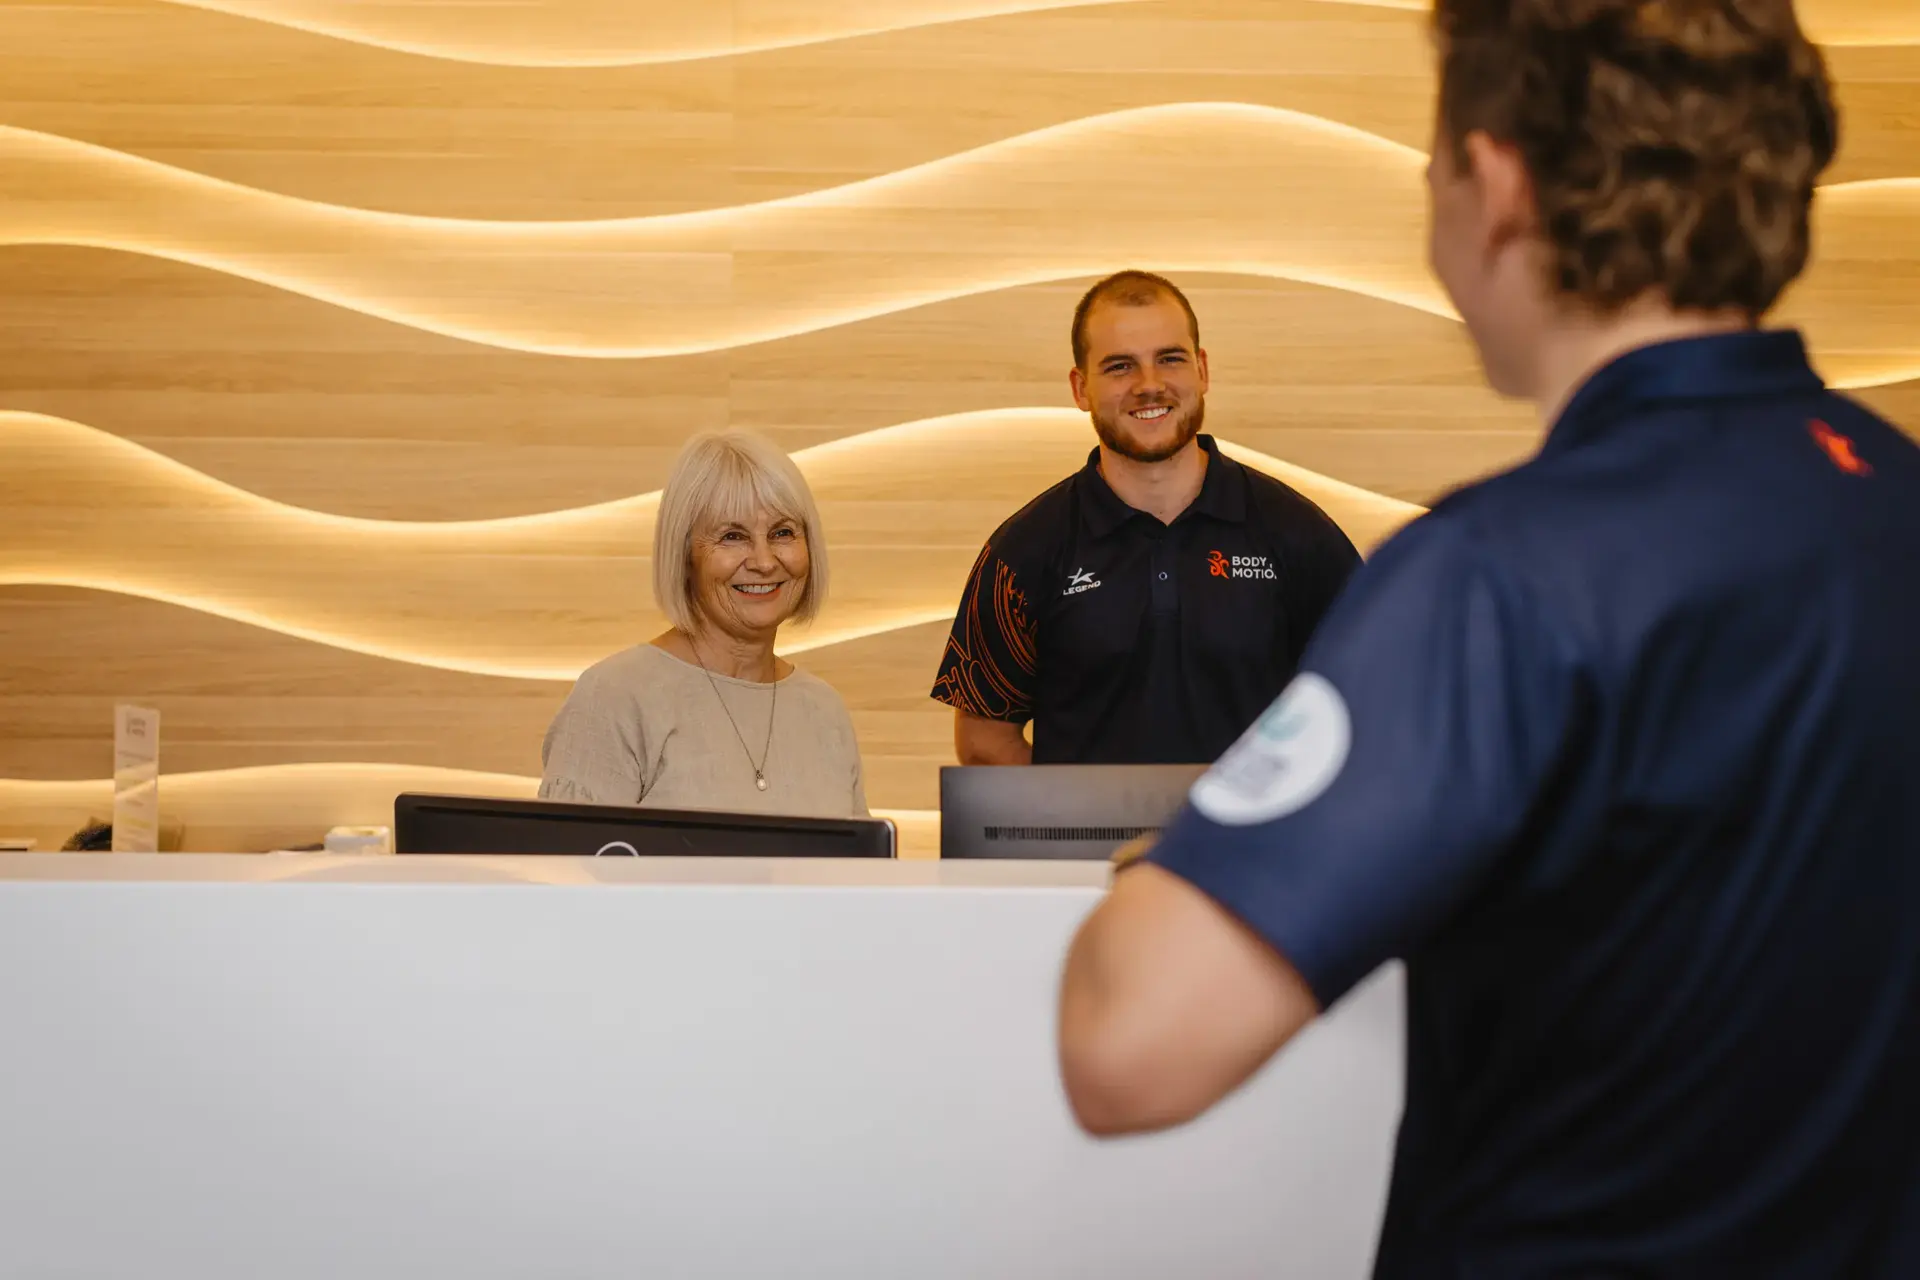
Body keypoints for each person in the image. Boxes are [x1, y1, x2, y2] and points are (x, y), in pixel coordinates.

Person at [1057, 2, 1920, 1277]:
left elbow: (1127, 1039)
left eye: (1433, 161)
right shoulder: (1894, 496)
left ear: (1498, 181)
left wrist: (1179, 863)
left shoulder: (1494, 577)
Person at [929, 270, 1360, 765]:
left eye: (1169, 359)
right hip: (1088, 847)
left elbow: (1370, 703)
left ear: (1202, 371)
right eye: (1119, 367)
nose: (1149, 385)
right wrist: (1071, 833)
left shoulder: (1300, 536)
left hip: (1257, 844)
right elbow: (984, 740)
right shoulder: (1023, 552)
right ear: (1080, 388)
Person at [539, 429, 868, 818]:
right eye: (732, 536)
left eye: (782, 533)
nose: (764, 561)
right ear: (685, 557)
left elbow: (857, 874)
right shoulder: (615, 698)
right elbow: (570, 870)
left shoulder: (825, 711)